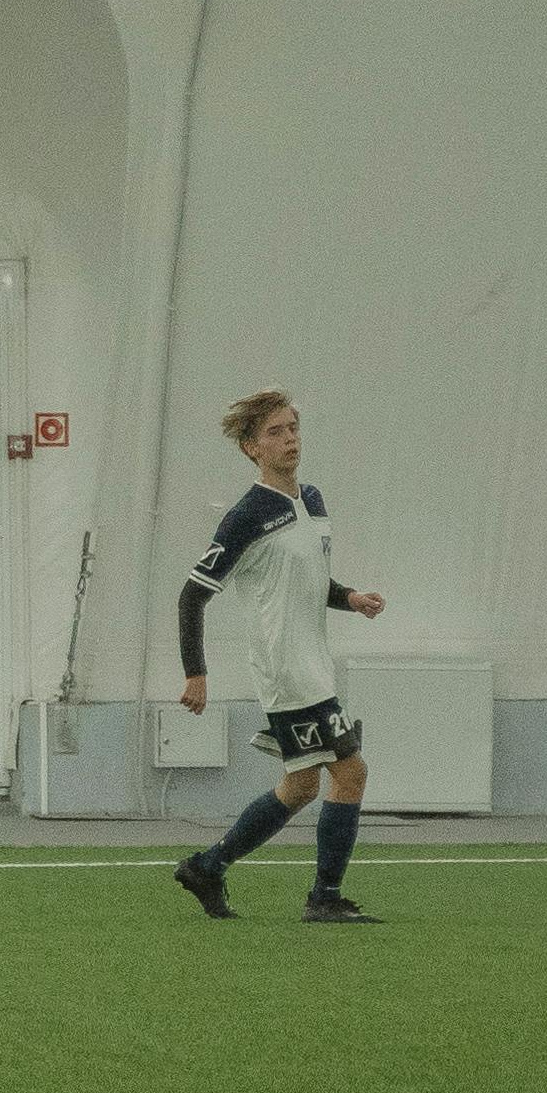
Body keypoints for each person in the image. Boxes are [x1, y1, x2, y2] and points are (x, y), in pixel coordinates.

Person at [171, 387, 386, 923]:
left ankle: (208, 866)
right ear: (250, 448)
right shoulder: (247, 515)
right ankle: (324, 898)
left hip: (314, 664)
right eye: (275, 432)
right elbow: (193, 594)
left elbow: (306, 580)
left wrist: (350, 598)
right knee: (351, 772)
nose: (290, 439)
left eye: (293, 428)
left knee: (301, 784)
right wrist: (196, 674)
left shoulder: (311, 500)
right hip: (286, 669)